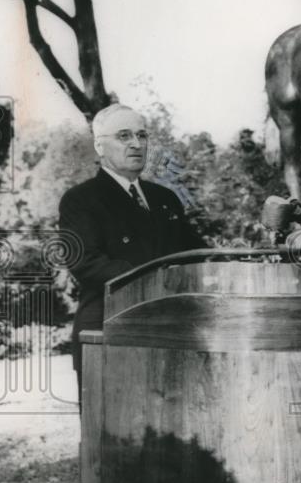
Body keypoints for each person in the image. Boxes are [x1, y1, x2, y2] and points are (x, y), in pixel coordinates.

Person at [58, 103, 205, 390]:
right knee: (109, 432)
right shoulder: (80, 200)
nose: (136, 144)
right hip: (106, 329)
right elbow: (86, 264)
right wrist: (160, 278)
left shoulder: (165, 199)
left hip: (169, 331)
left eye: (142, 135)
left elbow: (197, 254)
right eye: (124, 136)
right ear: (100, 146)